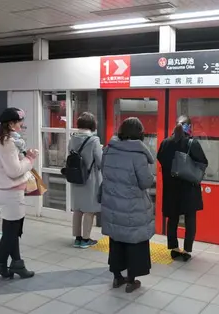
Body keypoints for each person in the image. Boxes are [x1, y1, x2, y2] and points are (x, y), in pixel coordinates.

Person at [101, 117, 154, 293]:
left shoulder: (109, 150)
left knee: (116, 241)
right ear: (140, 133)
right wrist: (152, 177)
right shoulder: (138, 155)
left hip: (113, 204)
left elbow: (105, 173)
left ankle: (117, 278)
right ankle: (131, 280)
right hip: (132, 206)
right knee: (134, 243)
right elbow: (145, 182)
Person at [0, 107, 38, 281]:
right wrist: (29, 158)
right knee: (10, 233)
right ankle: (0, 265)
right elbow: (14, 171)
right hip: (11, 193)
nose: (21, 126)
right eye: (19, 123)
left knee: (11, 230)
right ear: (11, 124)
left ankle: (17, 264)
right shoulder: (6, 143)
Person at [157, 115, 208, 261]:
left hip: (171, 188)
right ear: (189, 128)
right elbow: (203, 162)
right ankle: (186, 250)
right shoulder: (193, 143)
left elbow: (161, 159)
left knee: (172, 219)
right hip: (189, 188)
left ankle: (173, 249)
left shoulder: (165, 143)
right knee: (190, 219)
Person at [69, 112, 103, 249]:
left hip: (76, 177)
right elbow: (100, 162)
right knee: (89, 210)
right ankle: (86, 239)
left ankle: (77, 238)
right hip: (90, 179)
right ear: (92, 125)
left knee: (77, 209)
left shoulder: (73, 139)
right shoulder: (94, 140)